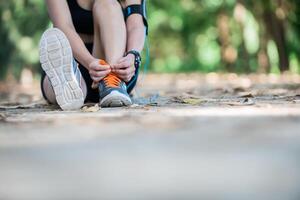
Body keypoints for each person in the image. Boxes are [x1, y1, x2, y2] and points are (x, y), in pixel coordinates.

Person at [39, 0, 148, 110]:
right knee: (60, 83)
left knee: (107, 4)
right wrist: (89, 62)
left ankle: (113, 82)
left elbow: (136, 24)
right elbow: (63, 26)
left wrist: (133, 55)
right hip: (73, 57)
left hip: (119, 65)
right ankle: (71, 84)